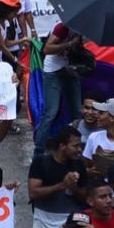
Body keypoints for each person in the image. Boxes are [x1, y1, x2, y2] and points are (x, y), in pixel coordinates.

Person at [27, 126, 86, 228]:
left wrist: (74, 188)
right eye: (75, 146)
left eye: (80, 146)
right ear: (62, 146)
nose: (80, 150)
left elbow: (85, 198)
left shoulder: (79, 165)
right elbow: (33, 193)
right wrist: (62, 186)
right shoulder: (40, 162)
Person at [36, 22, 84, 151]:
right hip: (53, 72)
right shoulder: (63, 27)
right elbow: (46, 49)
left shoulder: (85, 29)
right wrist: (70, 44)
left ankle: (75, 149)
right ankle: (39, 151)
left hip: (70, 71)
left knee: (77, 113)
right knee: (51, 113)